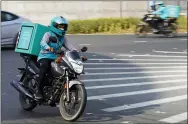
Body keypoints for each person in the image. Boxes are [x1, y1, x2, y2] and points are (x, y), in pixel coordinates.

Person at [35, 16, 77, 99]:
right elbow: (42, 42)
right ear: (54, 26)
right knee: (45, 67)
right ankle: (38, 91)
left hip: (56, 58)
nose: (62, 29)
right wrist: (48, 47)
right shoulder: (48, 34)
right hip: (45, 56)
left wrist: (76, 52)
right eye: (60, 27)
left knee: (66, 69)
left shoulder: (63, 38)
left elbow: (70, 46)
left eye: (64, 27)